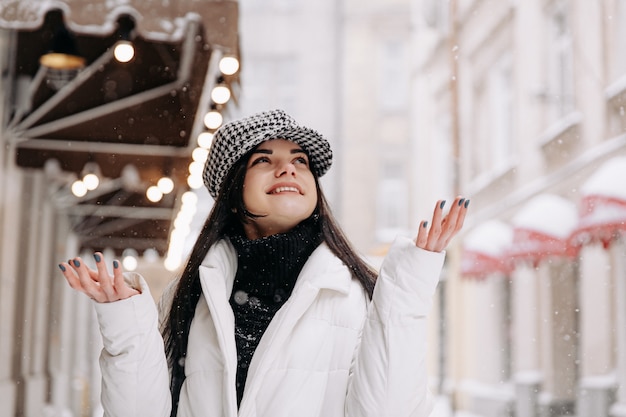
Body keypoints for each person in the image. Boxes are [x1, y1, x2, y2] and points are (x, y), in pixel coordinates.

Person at [58, 109, 469, 417]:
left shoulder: (356, 294)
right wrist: (127, 325)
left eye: (300, 160)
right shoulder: (192, 295)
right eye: (263, 160)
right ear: (234, 193)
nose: (287, 166)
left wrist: (406, 293)